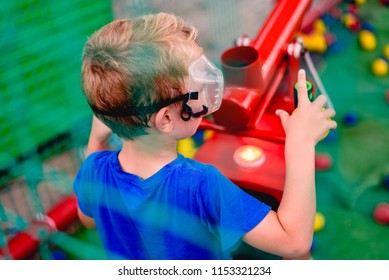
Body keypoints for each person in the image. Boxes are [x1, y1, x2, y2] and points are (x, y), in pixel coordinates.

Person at [73, 12, 337, 260]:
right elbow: (293, 242)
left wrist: (96, 141)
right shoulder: (201, 185)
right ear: (165, 119)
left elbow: (89, 219)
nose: (208, 84)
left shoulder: (94, 170)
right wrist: (300, 143)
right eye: (197, 81)